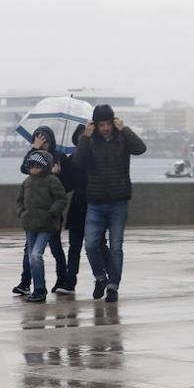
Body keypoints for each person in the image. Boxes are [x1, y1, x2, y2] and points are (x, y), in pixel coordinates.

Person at [75, 104, 146, 303]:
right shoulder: (90, 141)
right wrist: (85, 138)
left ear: (114, 123)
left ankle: (113, 286)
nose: (105, 128)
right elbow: (78, 163)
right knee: (90, 245)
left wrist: (125, 129)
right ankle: (100, 277)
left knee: (116, 247)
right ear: (95, 125)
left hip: (118, 202)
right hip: (95, 202)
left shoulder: (122, 138)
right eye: (101, 124)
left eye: (108, 123)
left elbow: (140, 148)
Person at [10, 126, 68, 297]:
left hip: (50, 219)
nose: (41, 142)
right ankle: (28, 283)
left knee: (56, 249)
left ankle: (62, 280)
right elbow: (25, 168)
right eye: (38, 138)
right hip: (31, 220)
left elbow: (64, 193)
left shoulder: (59, 158)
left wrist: (58, 173)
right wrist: (34, 148)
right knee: (31, 252)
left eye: (44, 139)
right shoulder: (31, 166)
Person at [53, 124, 97, 295]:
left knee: (97, 246)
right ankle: (70, 281)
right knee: (74, 247)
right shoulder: (70, 159)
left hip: (94, 206)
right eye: (80, 136)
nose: (83, 139)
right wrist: (59, 172)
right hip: (78, 206)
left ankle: (102, 277)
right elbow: (67, 185)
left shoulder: (96, 158)